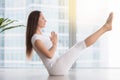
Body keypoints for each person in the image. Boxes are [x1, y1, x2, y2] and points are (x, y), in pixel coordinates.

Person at [26, 10, 113, 76]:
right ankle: (106, 27)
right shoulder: (35, 39)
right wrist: (54, 43)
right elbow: (49, 55)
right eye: (42, 18)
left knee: (79, 46)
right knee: (80, 46)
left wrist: (53, 42)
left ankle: (106, 27)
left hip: (57, 65)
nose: (45, 20)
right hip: (55, 69)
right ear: (36, 20)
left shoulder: (41, 36)